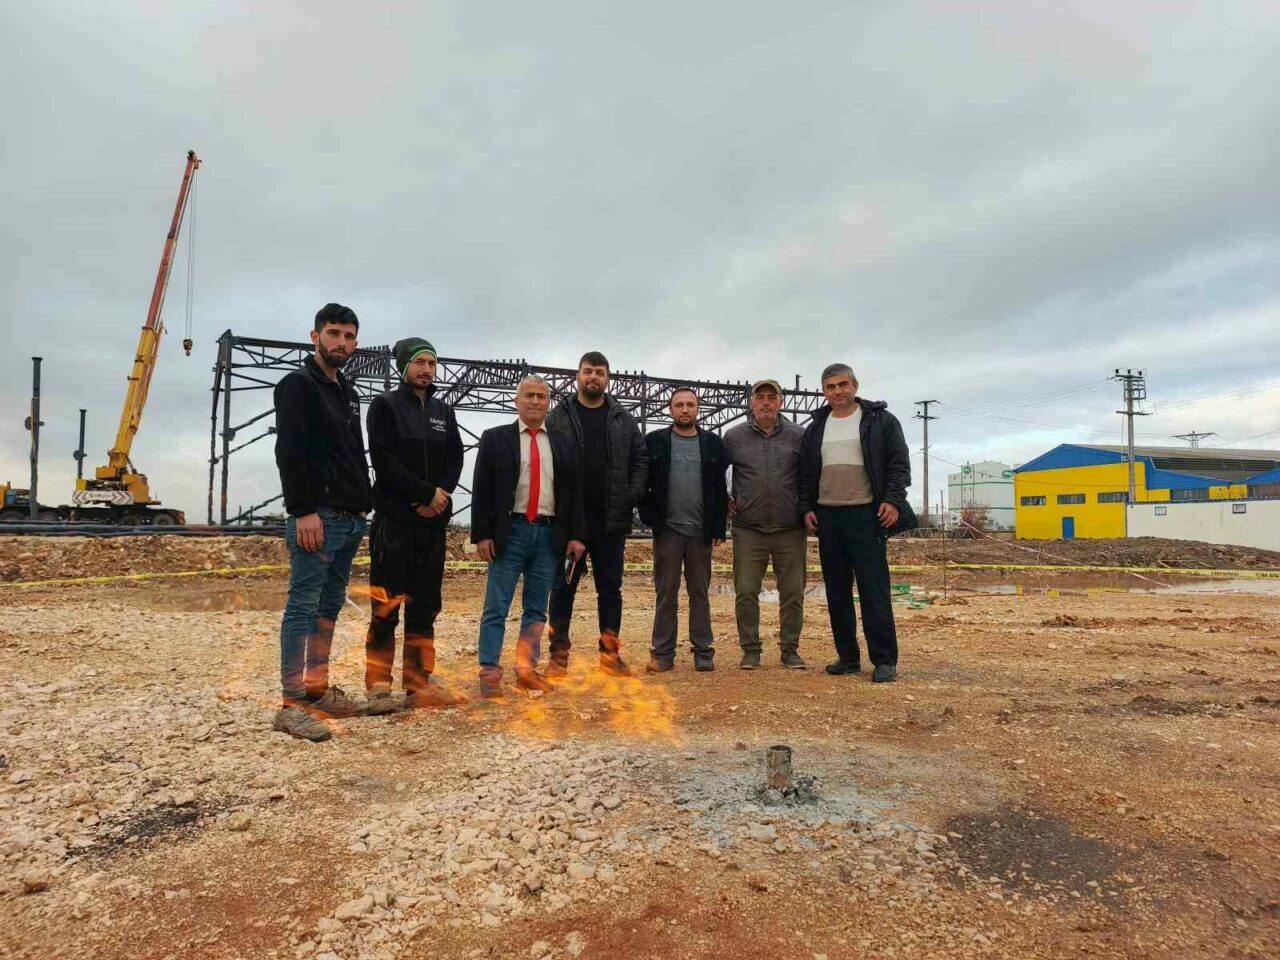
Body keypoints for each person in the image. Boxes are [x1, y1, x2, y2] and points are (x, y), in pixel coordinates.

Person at [271, 303, 372, 741]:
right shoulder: (298, 385)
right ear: (315, 337)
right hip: (319, 516)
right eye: (334, 333)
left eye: (349, 336)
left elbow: (352, 452)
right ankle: (292, 703)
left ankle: (317, 689)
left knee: (329, 607)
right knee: (303, 606)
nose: (341, 343)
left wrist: (363, 505)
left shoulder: (347, 391)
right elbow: (290, 451)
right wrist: (302, 510)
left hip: (349, 517)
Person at [364, 337, 465, 714]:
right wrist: (424, 493)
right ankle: (378, 686)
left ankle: (418, 682)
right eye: (419, 362)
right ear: (404, 366)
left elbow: (455, 457)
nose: (426, 370)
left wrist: (440, 496)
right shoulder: (385, 406)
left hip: (431, 525)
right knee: (386, 605)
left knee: (425, 607)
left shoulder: (443, 410)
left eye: (431, 363)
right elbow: (384, 460)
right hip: (395, 523)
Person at [798, 363, 915, 683]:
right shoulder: (816, 427)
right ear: (824, 392)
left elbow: (898, 465)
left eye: (842, 384)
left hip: (867, 516)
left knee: (873, 590)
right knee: (837, 592)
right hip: (828, 518)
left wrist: (893, 500)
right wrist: (806, 508)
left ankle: (884, 660)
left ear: (855, 385)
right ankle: (848, 657)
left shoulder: (881, 421)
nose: (837, 391)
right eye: (830, 387)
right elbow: (806, 472)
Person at [471, 376, 586, 697]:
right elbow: (482, 488)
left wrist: (576, 536)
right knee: (497, 606)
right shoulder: (495, 439)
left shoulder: (563, 442)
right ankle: (489, 671)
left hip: (549, 535)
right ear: (517, 400)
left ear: (548, 402)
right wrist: (482, 535)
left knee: (536, 609)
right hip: (510, 532)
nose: (535, 401)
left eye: (541, 396)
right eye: (529, 395)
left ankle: (526, 669)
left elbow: (573, 493)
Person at [545, 351, 648, 677]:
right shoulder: (558, 416)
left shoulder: (622, 419)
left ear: (607, 379)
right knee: (563, 588)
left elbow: (640, 458)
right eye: (588, 371)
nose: (594, 377)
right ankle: (558, 657)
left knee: (610, 590)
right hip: (570, 521)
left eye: (599, 372)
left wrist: (631, 494)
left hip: (610, 520)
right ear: (578, 375)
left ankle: (609, 657)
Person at [638, 388, 729, 673]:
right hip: (668, 531)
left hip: (700, 532)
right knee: (666, 593)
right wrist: (651, 519)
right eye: (679, 405)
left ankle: (703, 651)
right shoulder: (655, 442)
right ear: (670, 409)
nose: (685, 409)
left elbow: (719, 489)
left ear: (698, 409)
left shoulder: (712, 444)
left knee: (699, 593)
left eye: (690, 404)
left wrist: (718, 526)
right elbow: (642, 482)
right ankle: (663, 653)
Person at [724, 379, 807, 671]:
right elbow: (712, 471)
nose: (766, 402)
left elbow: (811, 474)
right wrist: (723, 500)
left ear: (781, 402)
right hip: (749, 528)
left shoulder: (799, 436)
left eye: (772, 397)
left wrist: (807, 509)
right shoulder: (733, 437)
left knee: (793, 593)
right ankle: (750, 651)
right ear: (752, 403)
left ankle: (790, 650)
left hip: (790, 528)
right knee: (746, 591)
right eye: (760, 397)